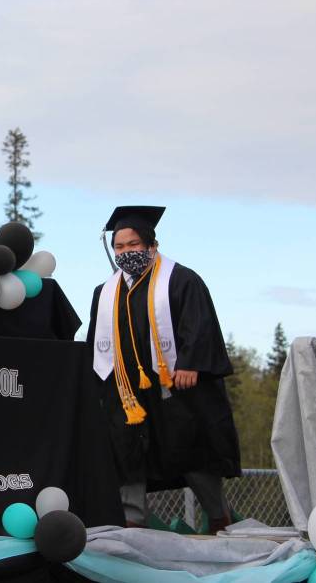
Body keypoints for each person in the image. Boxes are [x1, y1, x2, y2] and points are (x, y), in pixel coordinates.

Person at [86, 206, 241, 533]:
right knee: (125, 450)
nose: (126, 253)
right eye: (119, 247)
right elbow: (96, 344)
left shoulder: (181, 280)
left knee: (191, 447)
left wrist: (190, 363)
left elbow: (199, 325)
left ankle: (217, 516)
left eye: (133, 245)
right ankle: (131, 520)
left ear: (152, 246)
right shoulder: (106, 293)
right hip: (127, 391)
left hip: (175, 387)